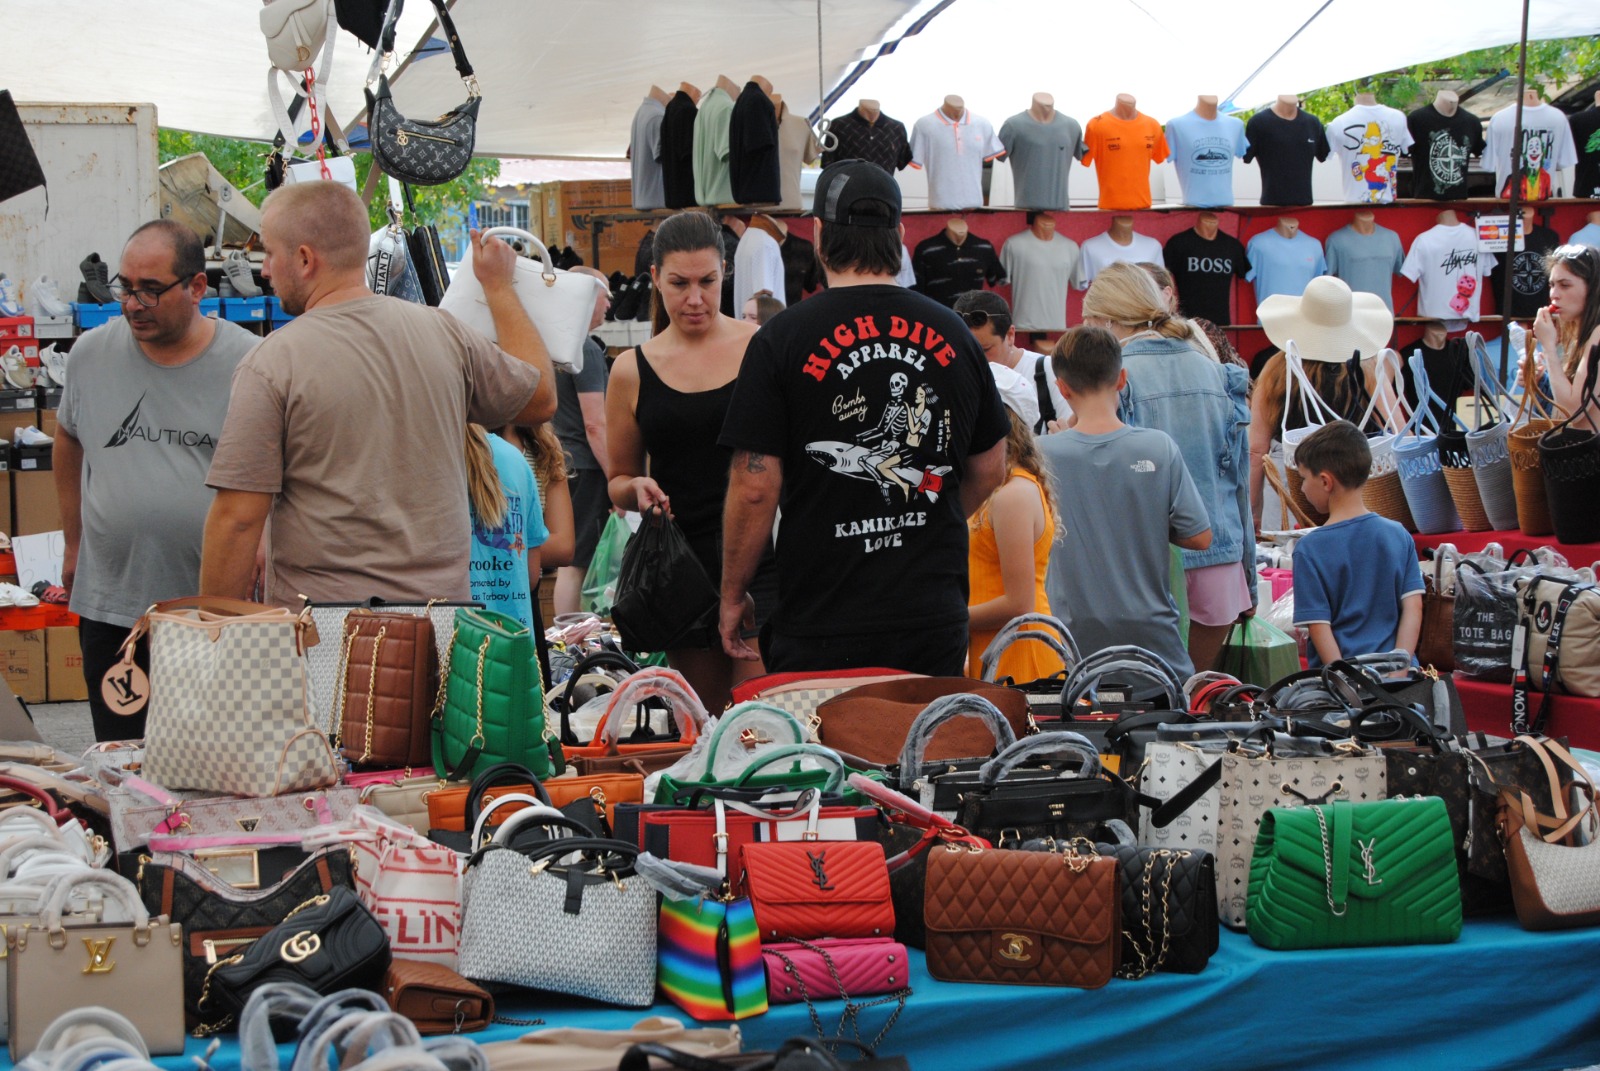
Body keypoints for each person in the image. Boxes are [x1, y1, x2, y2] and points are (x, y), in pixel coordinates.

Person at [201, 181, 557, 605]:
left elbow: (238, 522)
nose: (264, 270)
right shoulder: (443, 334)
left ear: (304, 259)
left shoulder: (272, 362)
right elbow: (541, 395)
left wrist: (215, 637)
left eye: (271, 254)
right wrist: (499, 288)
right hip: (440, 628)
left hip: (327, 634)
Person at [718, 160, 1009, 677]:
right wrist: (923, 520)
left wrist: (733, 591)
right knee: (932, 754)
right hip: (931, 616)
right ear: (898, 235)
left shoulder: (780, 340)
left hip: (822, 621)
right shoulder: (956, 333)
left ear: (820, 233)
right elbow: (990, 468)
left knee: (828, 758)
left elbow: (755, 486)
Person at [56, 220, 259, 741]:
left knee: (210, 760)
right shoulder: (89, 356)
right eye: (126, 286)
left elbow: (277, 470)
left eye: (151, 289)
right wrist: (73, 543)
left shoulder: (248, 364)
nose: (132, 303)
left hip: (212, 608)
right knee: (123, 762)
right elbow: (68, 438)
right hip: (112, 603)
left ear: (196, 288)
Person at [605, 210, 776, 712]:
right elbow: (616, 478)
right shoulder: (631, 370)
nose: (695, 298)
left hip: (761, 558)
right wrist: (635, 487)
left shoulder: (759, 349)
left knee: (763, 720)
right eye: (679, 283)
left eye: (707, 281)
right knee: (707, 726)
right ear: (655, 277)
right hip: (683, 567)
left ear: (725, 272)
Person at [1081, 262, 1254, 674]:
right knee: (1191, 702)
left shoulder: (1115, 377)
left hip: (1140, 570)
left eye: (1088, 321)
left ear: (1106, 319)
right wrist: (1248, 577)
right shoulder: (1213, 370)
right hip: (1218, 561)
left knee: (1137, 705)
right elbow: (1239, 480)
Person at [1040, 326, 1212, 679]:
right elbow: (1200, 537)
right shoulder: (1158, 447)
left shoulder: (1042, 456)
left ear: (1062, 387)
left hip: (1070, 638)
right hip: (1151, 637)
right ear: (1122, 379)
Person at [1247, 276, 1394, 531]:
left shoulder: (1276, 371)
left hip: (1290, 481)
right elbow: (1398, 432)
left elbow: (1256, 451)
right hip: (1355, 486)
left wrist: (1253, 509)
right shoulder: (1367, 370)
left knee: (1289, 563)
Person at [1291, 420, 1423, 667]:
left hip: (1340, 686)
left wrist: (1344, 682)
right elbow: (1413, 609)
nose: (1302, 487)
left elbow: (1319, 627)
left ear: (1325, 481)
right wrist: (1399, 671)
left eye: (1303, 478)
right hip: (1400, 683)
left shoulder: (1309, 549)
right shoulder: (1398, 534)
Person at [966, 365, 1062, 683]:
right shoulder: (998, 489)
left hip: (1021, 657)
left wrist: (943, 620)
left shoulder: (1013, 494)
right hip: (996, 651)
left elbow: (1018, 603)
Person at [550, 266, 610, 615]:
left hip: (561, 462)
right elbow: (596, 424)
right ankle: (569, 640)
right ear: (587, 296)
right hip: (586, 466)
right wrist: (616, 475)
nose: (609, 307)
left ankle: (565, 636)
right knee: (576, 563)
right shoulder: (584, 349)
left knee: (568, 560)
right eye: (606, 297)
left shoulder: (553, 342)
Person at [466, 423, 548, 632]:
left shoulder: (431, 461)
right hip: (513, 640)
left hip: (457, 640)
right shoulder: (516, 459)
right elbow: (530, 575)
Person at [953, 289, 1071, 433]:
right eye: (966, 352)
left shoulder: (1049, 370)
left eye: (985, 350)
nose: (975, 361)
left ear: (1010, 335)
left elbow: (1071, 435)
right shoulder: (954, 374)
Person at [1533, 244, 1600, 430]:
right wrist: (1539, 381)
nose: (1554, 295)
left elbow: (1572, 411)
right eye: (1552, 285)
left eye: (1565, 285)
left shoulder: (1598, 334)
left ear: (1592, 288)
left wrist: (1548, 348)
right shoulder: (1577, 333)